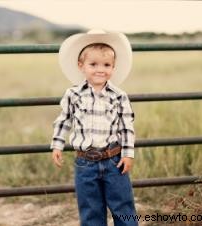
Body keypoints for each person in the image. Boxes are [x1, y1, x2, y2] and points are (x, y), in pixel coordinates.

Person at [50, 29, 138, 226]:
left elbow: (126, 127)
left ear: (113, 68)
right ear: (81, 66)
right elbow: (64, 119)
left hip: (114, 160)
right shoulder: (73, 94)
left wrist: (128, 154)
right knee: (90, 209)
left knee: (123, 206)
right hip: (85, 163)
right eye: (93, 64)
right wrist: (57, 145)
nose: (100, 69)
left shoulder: (118, 95)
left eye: (107, 65)